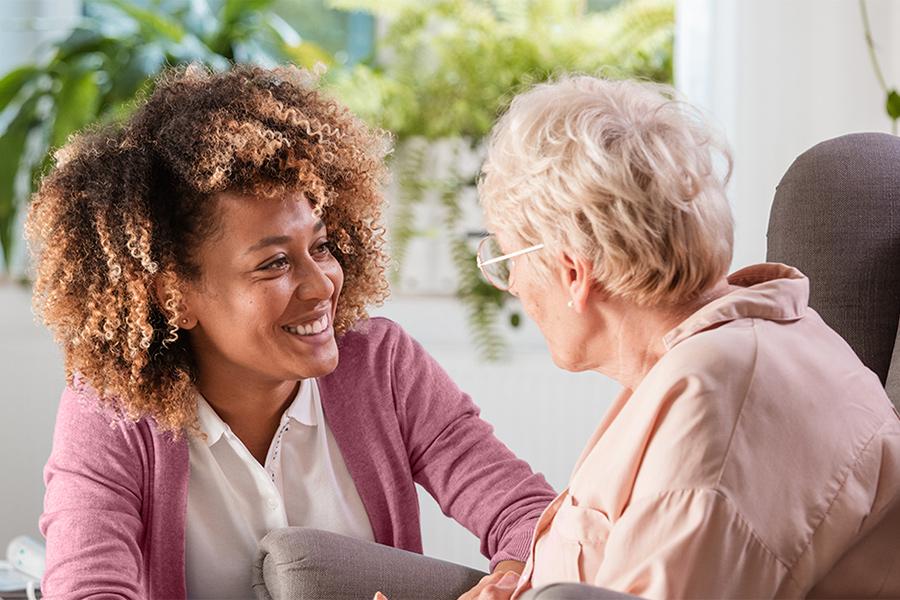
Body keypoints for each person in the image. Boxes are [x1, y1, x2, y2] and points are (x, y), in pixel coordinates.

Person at [27, 64, 555, 599]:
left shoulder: (382, 367)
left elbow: (530, 516)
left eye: (320, 247)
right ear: (174, 296)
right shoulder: (113, 413)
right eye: (274, 263)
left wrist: (507, 584)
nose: (321, 284)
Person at [469, 75, 900, 599]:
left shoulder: (715, 406)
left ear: (573, 272)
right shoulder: (709, 356)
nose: (512, 284)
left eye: (508, 258)